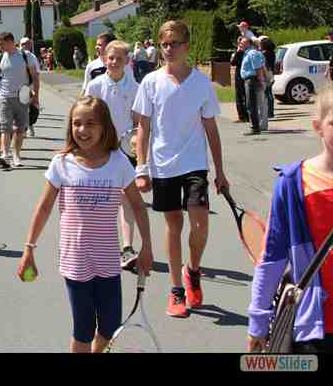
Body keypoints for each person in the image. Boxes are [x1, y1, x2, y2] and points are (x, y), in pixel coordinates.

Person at [16, 95, 153, 353]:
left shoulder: (118, 163)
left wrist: (146, 247)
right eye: (77, 123)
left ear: (104, 126)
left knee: (110, 326)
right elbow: (43, 207)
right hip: (75, 260)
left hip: (107, 260)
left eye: (90, 123)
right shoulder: (62, 163)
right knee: (83, 328)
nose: (82, 130)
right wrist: (29, 248)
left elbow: (137, 206)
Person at [132, 20, 229, 318]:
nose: (169, 49)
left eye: (175, 43)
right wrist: (141, 167)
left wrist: (220, 171)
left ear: (186, 46)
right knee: (174, 225)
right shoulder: (150, 82)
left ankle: (193, 270)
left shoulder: (200, 83)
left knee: (200, 223)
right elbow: (143, 128)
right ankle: (176, 290)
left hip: (195, 165)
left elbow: (211, 129)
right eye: (165, 44)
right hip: (162, 166)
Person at [247, 86, 333, 354]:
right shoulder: (292, 183)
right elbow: (272, 257)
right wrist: (258, 321)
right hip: (314, 325)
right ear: (318, 127)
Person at [85, 40, 140, 270]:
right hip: (99, 149)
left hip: (126, 151)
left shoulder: (136, 88)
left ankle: (127, 248)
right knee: (98, 199)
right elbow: (84, 119)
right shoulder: (96, 86)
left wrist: (138, 143)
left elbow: (140, 123)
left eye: (119, 58)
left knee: (126, 198)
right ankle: (95, 246)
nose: (114, 62)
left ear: (127, 61)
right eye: (111, 58)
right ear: (105, 59)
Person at [0, 32, 40, 169]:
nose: (0, 47)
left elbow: (35, 77)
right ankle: (5, 155)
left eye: (1, 44)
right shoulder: (1, 57)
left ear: (10, 41)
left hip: (23, 95)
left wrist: (36, 96)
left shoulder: (26, 56)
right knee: (5, 127)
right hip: (4, 97)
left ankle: (16, 155)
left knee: (20, 128)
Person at [240, 37, 267, 135]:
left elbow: (258, 68)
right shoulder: (248, 53)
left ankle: (255, 128)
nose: (240, 44)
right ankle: (255, 127)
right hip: (249, 80)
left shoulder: (252, 53)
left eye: (243, 42)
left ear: (249, 44)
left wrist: (260, 81)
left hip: (252, 80)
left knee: (251, 104)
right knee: (250, 104)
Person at [20, 37, 43, 138]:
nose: (26, 45)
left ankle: (30, 124)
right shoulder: (17, 56)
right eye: (24, 44)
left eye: (28, 43)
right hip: (21, 86)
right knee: (24, 108)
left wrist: (36, 91)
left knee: (35, 109)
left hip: (31, 85)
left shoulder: (32, 56)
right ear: (21, 45)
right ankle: (24, 129)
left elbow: (37, 73)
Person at [231, 37, 250, 123]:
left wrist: (238, 51)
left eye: (242, 43)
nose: (240, 45)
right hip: (240, 76)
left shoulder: (246, 53)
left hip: (244, 76)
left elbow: (233, 62)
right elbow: (233, 62)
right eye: (240, 43)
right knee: (241, 96)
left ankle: (245, 116)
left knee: (244, 96)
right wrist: (238, 51)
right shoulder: (242, 52)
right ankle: (242, 116)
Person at [259, 36, 276, 119]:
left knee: (267, 93)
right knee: (269, 93)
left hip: (266, 73)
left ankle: (269, 112)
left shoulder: (264, 53)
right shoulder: (272, 52)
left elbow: (264, 64)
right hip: (271, 73)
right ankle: (271, 111)